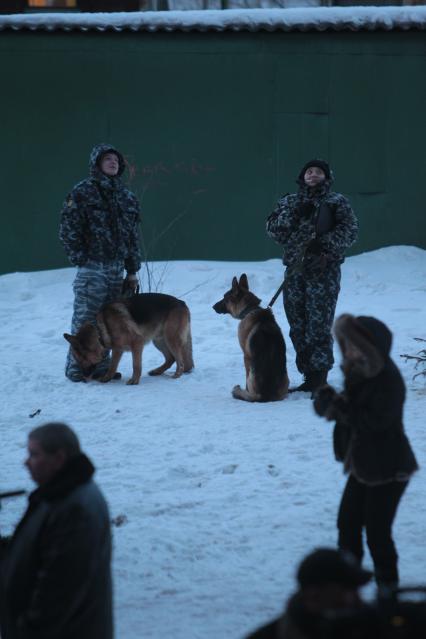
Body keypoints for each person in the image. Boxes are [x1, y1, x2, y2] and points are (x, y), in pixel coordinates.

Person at [314, 314, 418, 594]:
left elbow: (373, 422)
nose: (348, 351)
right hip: (365, 464)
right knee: (346, 525)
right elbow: (349, 411)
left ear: (372, 348)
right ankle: (347, 586)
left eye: (354, 345)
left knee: (377, 533)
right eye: (346, 345)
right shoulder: (359, 371)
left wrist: (339, 408)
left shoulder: (388, 380)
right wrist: (328, 402)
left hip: (389, 468)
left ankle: (388, 591)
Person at [0, 422, 113, 639]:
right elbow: (37, 549)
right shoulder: (57, 495)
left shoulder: (75, 510)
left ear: (59, 459)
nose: (26, 462)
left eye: (34, 454)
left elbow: (57, 593)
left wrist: (23, 629)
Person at [266, 160, 358, 394]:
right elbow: (273, 229)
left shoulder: (337, 202)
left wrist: (324, 245)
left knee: (318, 325)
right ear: (302, 176)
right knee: (297, 324)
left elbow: (350, 231)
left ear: (326, 178)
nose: (313, 175)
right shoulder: (289, 201)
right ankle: (308, 374)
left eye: (319, 172)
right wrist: (293, 214)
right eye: (309, 171)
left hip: (323, 271)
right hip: (295, 272)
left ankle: (319, 377)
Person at [59, 143, 142, 382]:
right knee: (85, 318)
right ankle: (77, 366)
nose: (113, 162)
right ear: (97, 164)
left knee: (110, 321)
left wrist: (132, 270)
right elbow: (67, 229)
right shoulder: (82, 192)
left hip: (117, 269)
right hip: (92, 267)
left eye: (116, 159)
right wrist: (81, 259)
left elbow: (132, 237)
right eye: (107, 159)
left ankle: (102, 365)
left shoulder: (127, 197)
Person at [246, 546, 372, 638]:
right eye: (347, 590)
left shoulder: (372, 625)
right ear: (314, 595)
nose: (359, 598)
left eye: (358, 589)